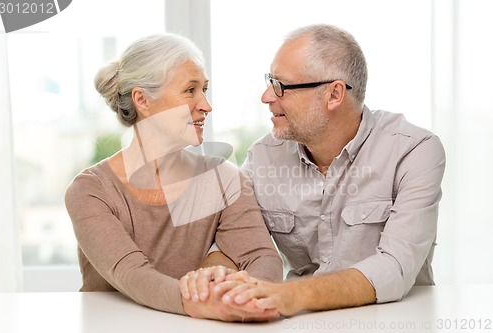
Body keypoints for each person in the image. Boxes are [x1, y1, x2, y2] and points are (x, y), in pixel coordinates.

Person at [180, 23, 446, 317]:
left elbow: (395, 266)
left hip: (399, 319)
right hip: (303, 322)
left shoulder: (414, 151)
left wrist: (286, 295)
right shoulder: (263, 157)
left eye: (280, 85)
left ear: (334, 94)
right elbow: (233, 241)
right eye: (270, 80)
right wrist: (211, 278)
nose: (267, 96)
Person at [64, 33, 283, 321]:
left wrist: (251, 297)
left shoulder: (224, 178)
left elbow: (262, 258)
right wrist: (204, 303)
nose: (206, 105)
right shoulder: (91, 191)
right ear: (142, 99)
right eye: (190, 90)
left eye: (204, 89)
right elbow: (133, 275)